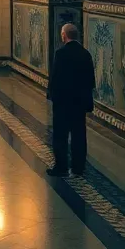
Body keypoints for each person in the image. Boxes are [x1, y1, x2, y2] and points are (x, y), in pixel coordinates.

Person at [46, 22, 95, 176]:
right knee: (79, 135)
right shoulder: (85, 54)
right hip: (79, 103)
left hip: (63, 103)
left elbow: (55, 77)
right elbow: (90, 80)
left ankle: (61, 167)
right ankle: (78, 167)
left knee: (60, 135)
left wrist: (51, 96)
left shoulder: (60, 54)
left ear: (64, 35)